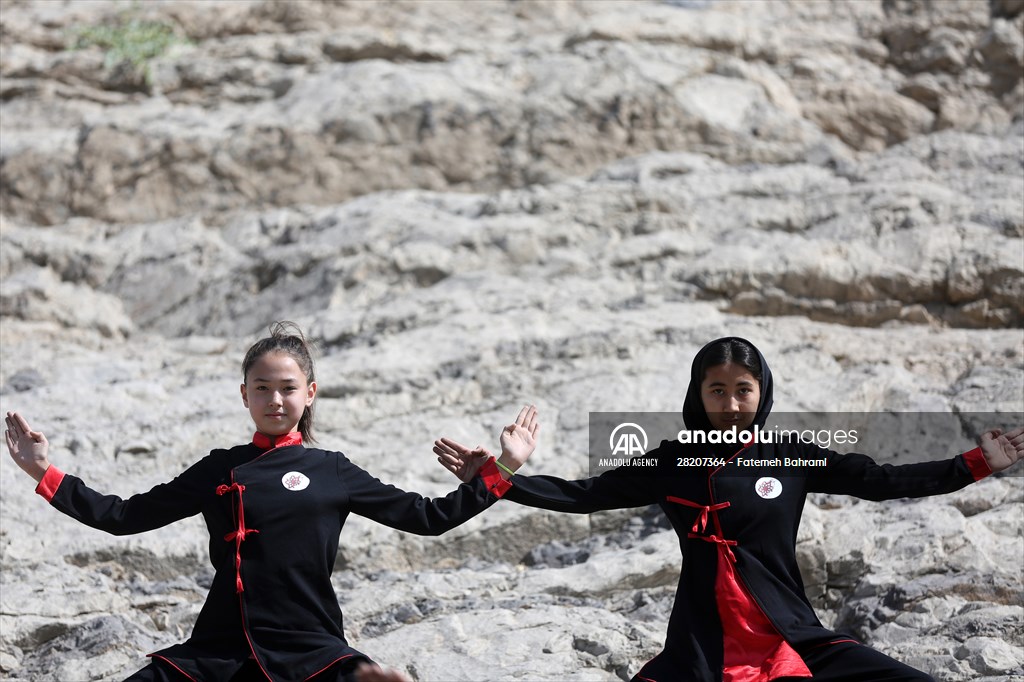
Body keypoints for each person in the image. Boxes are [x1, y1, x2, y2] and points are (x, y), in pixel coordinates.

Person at [435, 337, 1024, 682]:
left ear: (762, 392)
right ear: (698, 395)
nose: (731, 402)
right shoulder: (670, 459)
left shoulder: (790, 453)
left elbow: (882, 480)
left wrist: (975, 463)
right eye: (717, 390)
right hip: (700, 648)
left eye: (743, 389)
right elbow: (584, 495)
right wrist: (499, 471)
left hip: (788, 636)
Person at [5, 321, 539, 682]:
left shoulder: (333, 470)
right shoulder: (221, 467)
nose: (274, 400)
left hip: (312, 649)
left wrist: (503, 469)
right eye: (262, 388)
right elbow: (123, 516)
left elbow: (429, 518)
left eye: (287, 388)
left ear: (310, 393)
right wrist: (43, 471)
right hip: (217, 650)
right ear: (244, 395)